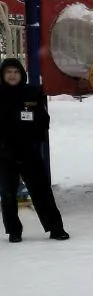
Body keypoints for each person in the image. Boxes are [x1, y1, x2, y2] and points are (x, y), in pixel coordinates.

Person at [0, 57, 69, 243]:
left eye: (15, 72)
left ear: (21, 74)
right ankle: (14, 231)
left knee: (42, 191)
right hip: (5, 155)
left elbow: (43, 120)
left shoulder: (32, 92)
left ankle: (56, 228)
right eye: (8, 72)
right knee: (7, 194)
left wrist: (34, 131)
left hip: (29, 153)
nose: (12, 75)